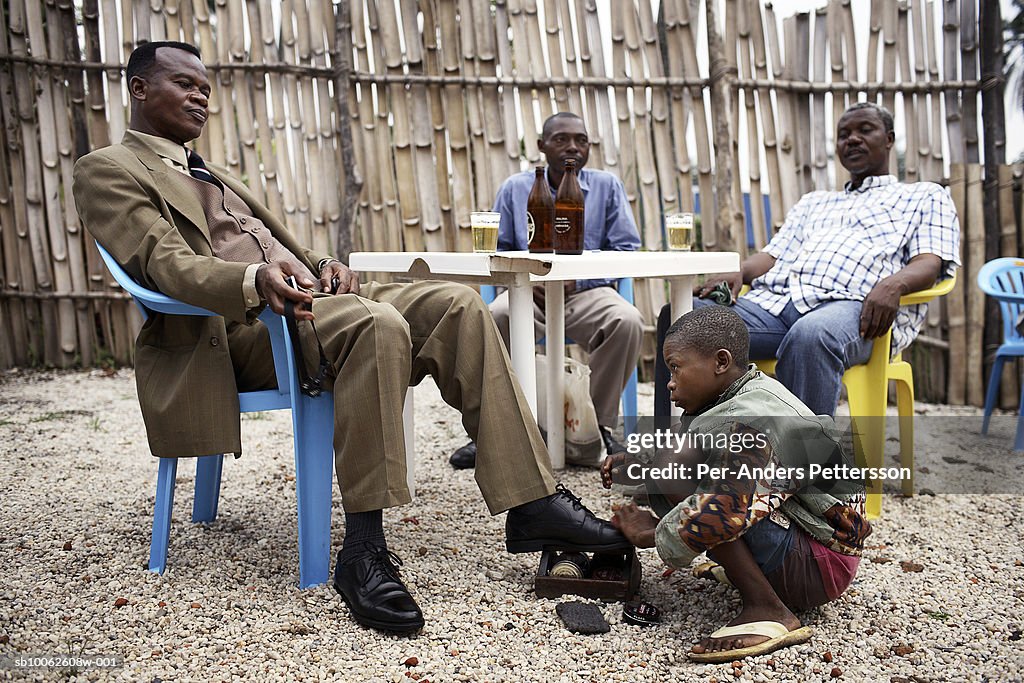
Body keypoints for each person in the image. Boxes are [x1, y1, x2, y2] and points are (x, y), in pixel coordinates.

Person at [73, 41, 629, 635]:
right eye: (184, 84)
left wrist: (325, 265)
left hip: (314, 302)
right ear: (138, 89)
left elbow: (273, 241)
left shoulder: (209, 170)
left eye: (205, 88)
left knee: (458, 305)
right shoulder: (109, 169)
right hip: (239, 330)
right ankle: (363, 550)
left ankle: (532, 501)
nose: (200, 97)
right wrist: (253, 281)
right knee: (378, 323)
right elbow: (165, 264)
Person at [654, 102, 960, 418]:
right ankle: (672, 446)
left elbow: (929, 262)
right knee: (682, 315)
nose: (852, 139)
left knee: (811, 335)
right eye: (844, 134)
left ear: (889, 139)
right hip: (773, 306)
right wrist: (741, 270)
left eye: (864, 130)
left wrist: (895, 284)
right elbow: (773, 256)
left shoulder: (924, 196)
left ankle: (804, 463)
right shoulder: (815, 202)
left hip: (854, 308)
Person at [604, 306, 871, 662]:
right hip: (817, 545)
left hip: (820, 566)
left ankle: (768, 608)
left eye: (675, 367)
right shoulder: (745, 391)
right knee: (672, 462)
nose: (669, 381)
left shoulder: (757, 418)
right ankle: (753, 576)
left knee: (676, 468)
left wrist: (653, 534)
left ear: (720, 361)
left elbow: (727, 509)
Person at [449, 112, 644, 469]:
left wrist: (578, 280)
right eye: (561, 139)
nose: (572, 146)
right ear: (541, 146)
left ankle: (594, 430)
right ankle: (501, 431)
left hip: (586, 294)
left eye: (580, 139)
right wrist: (527, 278)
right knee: (497, 316)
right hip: (530, 294)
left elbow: (627, 250)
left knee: (627, 319)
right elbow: (500, 248)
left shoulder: (607, 187)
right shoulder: (515, 188)